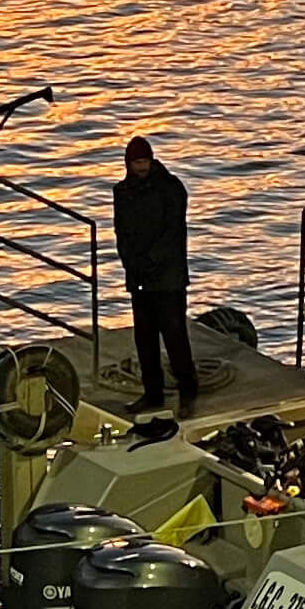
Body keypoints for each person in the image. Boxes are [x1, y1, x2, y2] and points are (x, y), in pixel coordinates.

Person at [112, 135, 195, 413]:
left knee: (174, 337)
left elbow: (173, 232)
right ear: (128, 163)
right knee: (144, 339)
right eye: (136, 162)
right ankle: (153, 393)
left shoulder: (171, 189)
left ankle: (187, 390)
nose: (141, 167)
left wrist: (151, 260)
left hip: (168, 277)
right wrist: (130, 263)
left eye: (145, 161)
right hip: (139, 278)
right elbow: (121, 232)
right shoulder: (122, 192)